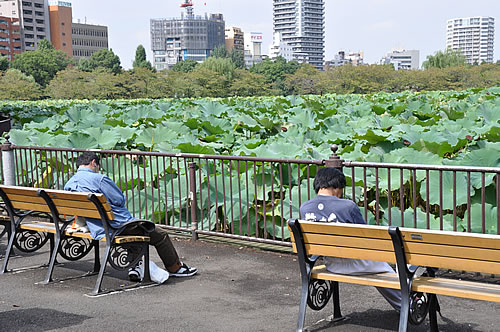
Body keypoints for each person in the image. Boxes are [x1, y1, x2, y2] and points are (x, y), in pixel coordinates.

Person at [64, 151, 197, 281]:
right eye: (98, 166)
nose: (98, 169)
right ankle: (175, 268)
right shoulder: (100, 179)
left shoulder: (69, 182)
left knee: (138, 231)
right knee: (158, 234)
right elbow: (119, 199)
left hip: (95, 226)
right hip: (114, 225)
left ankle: (134, 266)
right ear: (93, 163)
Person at [299, 167, 401, 311]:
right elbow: (367, 238)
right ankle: (406, 305)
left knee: (380, 267)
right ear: (337, 186)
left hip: (331, 265)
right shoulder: (348, 206)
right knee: (385, 270)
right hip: (356, 264)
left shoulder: (305, 208)